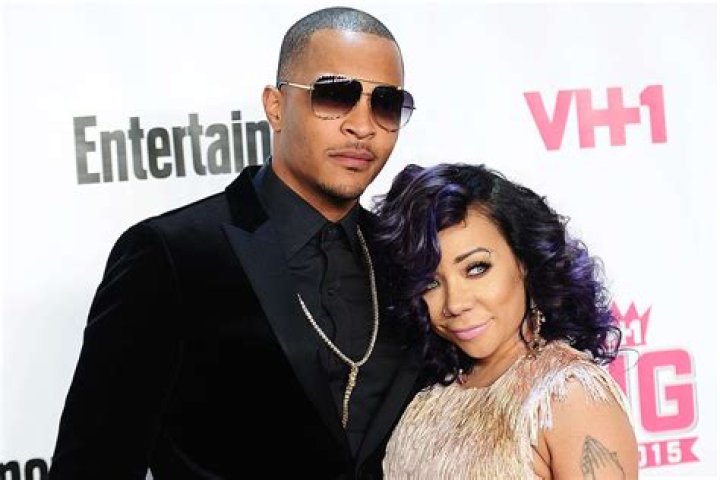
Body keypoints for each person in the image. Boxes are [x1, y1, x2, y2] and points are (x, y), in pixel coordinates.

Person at [49, 7, 420, 479]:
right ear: (275, 107)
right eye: (334, 95)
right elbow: (92, 464)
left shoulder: (405, 260)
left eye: (385, 103)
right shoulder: (170, 255)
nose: (362, 126)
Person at [373, 163, 639, 479]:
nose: (455, 304)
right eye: (430, 282)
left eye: (476, 268)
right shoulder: (428, 392)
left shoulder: (568, 395)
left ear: (524, 261)